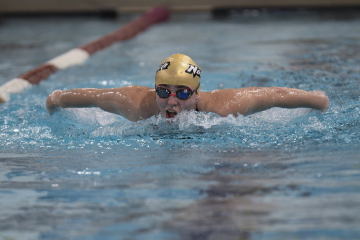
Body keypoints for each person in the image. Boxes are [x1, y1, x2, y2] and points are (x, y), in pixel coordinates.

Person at [46, 54, 329, 121]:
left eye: (182, 93)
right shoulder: (133, 104)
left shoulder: (221, 106)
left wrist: (317, 100)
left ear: (197, 93)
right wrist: (55, 99)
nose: (171, 102)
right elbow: (92, 97)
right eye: (163, 91)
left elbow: (274, 96)